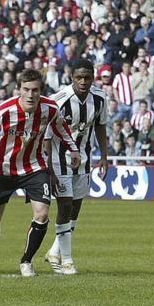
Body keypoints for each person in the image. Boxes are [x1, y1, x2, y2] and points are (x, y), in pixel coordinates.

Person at [0, 68, 81, 277]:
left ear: (41, 91)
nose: (31, 95)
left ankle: (26, 261)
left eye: (35, 90)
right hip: (4, 170)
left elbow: (61, 128)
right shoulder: (5, 110)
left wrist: (73, 149)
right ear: (18, 89)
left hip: (35, 167)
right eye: (26, 89)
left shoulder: (50, 108)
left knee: (42, 214)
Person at [44, 59, 108, 275]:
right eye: (79, 77)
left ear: (93, 77)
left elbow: (100, 127)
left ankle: (54, 251)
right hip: (59, 161)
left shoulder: (99, 98)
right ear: (71, 77)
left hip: (84, 160)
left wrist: (104, 157)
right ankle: (67, 261)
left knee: (74, 209)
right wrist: (49, 169)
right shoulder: (58, 100)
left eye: (87, 77)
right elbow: (46, 136)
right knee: (64, 206)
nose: (83, 81)